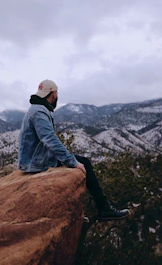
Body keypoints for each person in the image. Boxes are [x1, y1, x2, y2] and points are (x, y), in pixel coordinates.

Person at [18, 79, 129, 221]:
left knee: (81, 162)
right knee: (83, 164)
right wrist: (72, 162)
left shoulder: (36, 109)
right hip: (37, 162)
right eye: (56, 94)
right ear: (53, 94)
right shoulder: (39, 111)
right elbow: (49, 139)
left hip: (36, 158)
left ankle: (81, 212)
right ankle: (103, 209)